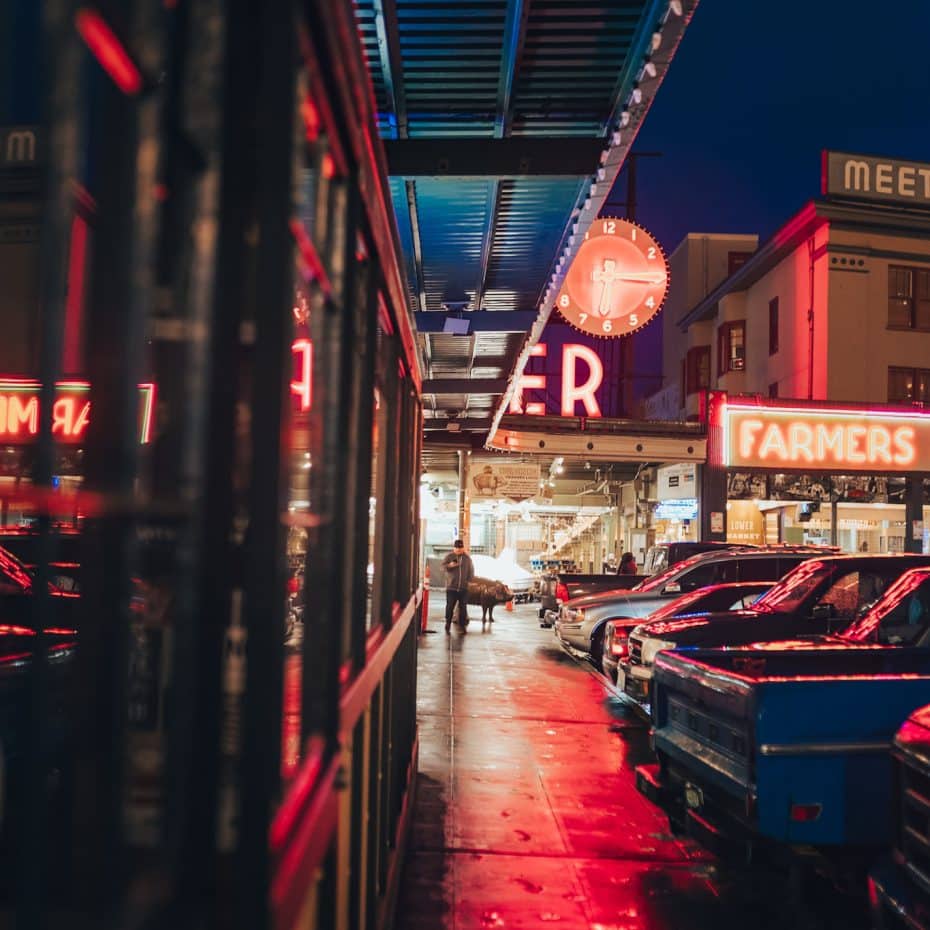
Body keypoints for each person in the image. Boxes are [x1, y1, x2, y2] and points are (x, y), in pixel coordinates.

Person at [442, 539, 474, 633]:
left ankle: (463, 626)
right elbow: (442, 567)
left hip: (463, 588)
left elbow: (471, 571)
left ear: (463, 548)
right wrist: (450, 565)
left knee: (463, 607)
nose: (459, 549)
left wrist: (468, 580)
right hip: (451, 587)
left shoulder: (467, 558)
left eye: (460, 547)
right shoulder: (449, 556)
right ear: (454, 548)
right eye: (457, 547)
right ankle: (448, 623)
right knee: (450, 606)